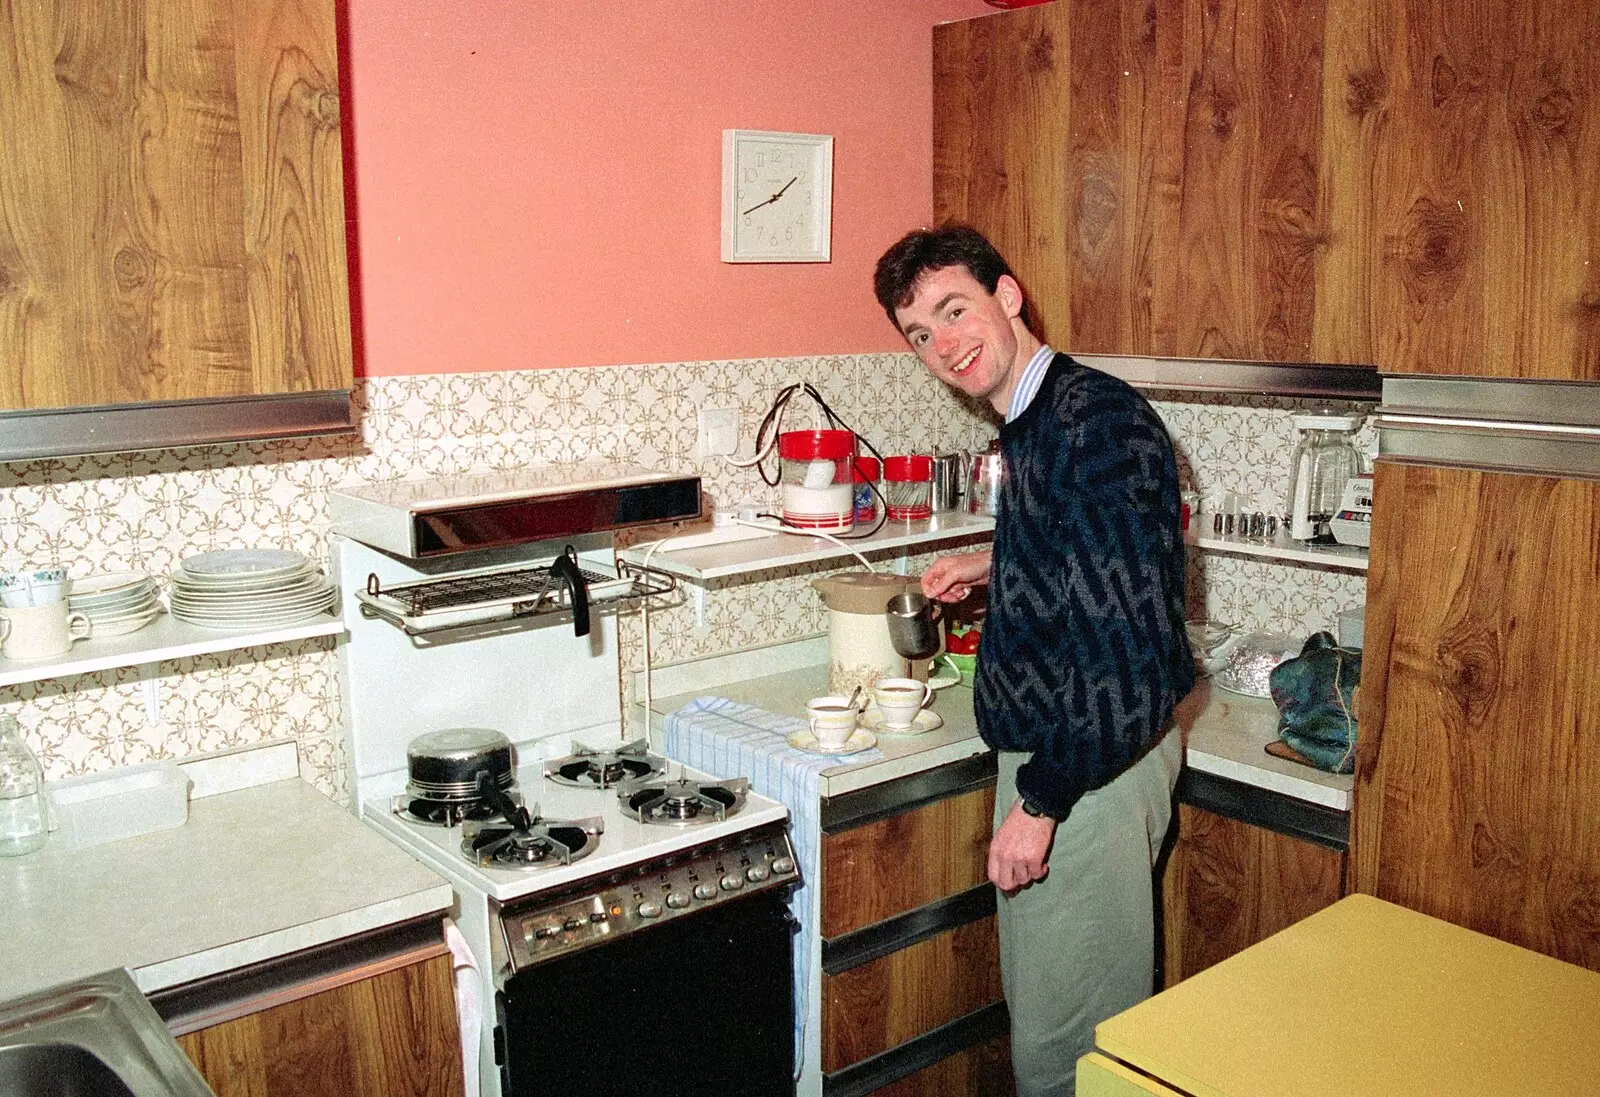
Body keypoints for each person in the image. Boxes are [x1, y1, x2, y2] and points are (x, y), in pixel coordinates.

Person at [873, 225, 1194, 1097]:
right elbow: (1101, 565)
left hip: (1086, 767)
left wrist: (1041, 802)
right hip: (1069, 756)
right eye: (921, 333)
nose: (945, 344)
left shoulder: (1096, 424)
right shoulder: (1038, 417)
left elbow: (1125, 659)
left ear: (1006, 296)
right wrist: (1001, 564)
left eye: (955, 309)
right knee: (1060, 1022)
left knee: (1069, 1055)